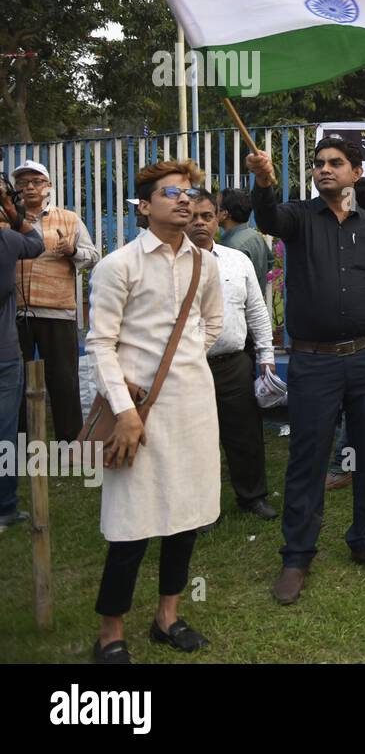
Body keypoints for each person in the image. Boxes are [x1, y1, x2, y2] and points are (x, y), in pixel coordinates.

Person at [248, 138, 365, 605]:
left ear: (356, 171)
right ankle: (296, 556)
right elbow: (268, 218)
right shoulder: (297, 218)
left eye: (336, 164)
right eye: (319, 164)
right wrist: (264, 181)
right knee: (307, 458)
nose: (325, 170)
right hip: (314, 361)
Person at [85, 159, 224, 664]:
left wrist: (185, 366)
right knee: (131, 523)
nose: (185, 200)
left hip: (193, 407)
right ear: (144, 206)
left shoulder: (206, 263)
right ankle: (110, 631)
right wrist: (125, 409)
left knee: (185, 517)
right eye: (172, 193)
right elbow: (100, 343)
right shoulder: (117, 264)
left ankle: (168, 616)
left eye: (190, 193)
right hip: (135, 414)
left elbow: (212, 326)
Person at [186, 190, 277, 522]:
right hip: (187, 367)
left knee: (245, 435)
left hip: (234, 363)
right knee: (194, 441)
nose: (199, 222)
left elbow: (256, 311)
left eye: (206, 216)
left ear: (218, 218)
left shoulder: (236, 260)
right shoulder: (169, 263)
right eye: (192, 216)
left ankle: (252, 496)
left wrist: (266, 358)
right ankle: (200, 510)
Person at [5, 160, 100, 442]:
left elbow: (92, 256)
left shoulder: (68, 219)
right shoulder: (5, 217)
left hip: (57, 311)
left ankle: (70, 443)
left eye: (36, 182)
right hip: (14, 313)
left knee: (64, 380)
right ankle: (19, 444)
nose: (29, 187)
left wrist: (71, 250)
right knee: (16, 381)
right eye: (23, 183)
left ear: (48, 187)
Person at [325, 176, 365, 492]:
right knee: (360, 412)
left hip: (362, 343)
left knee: (353, 413)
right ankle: (352, 462)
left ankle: (343, 466)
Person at [0, 176, 45, 531]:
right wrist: (12, 212)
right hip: (4, 354)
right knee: (5, 428)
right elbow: (36, 242)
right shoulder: (7, 240)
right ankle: (5, 506)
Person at [217, 186, 272, 289]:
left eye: (216, 207)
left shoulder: (230, 246)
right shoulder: (255, 236)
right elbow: (269, 262)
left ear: (225, 214)